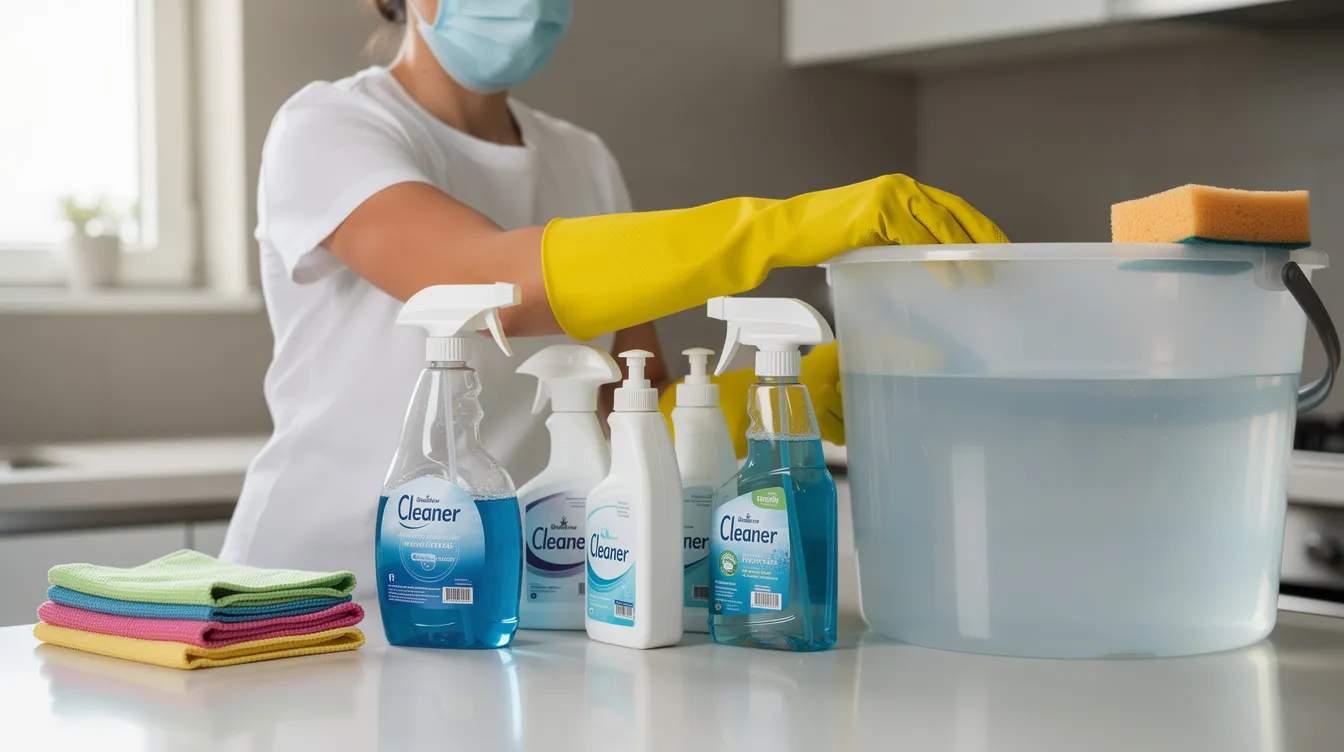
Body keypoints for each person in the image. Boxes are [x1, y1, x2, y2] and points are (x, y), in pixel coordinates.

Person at [221, 0, 1007, 594]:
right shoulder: (330, 126)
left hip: (511, 597)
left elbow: (630, 406)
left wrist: (776, 398)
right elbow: (482, 288)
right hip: (314, 593)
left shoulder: (582, 159)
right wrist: (778, 229)